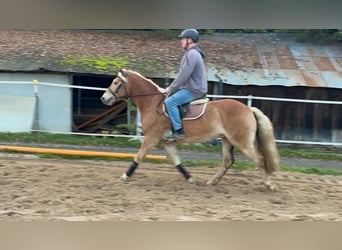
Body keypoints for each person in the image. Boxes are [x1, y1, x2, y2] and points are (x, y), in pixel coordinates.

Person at [163, 29, 208, 140]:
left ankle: (178, 131)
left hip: (194, 90)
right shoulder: (194, 53)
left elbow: (184, 75)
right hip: (194, 88)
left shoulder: (192, 54)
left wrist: (170, 88)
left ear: (190, 40)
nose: (181, 41)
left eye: (183, 39)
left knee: (170, 101)